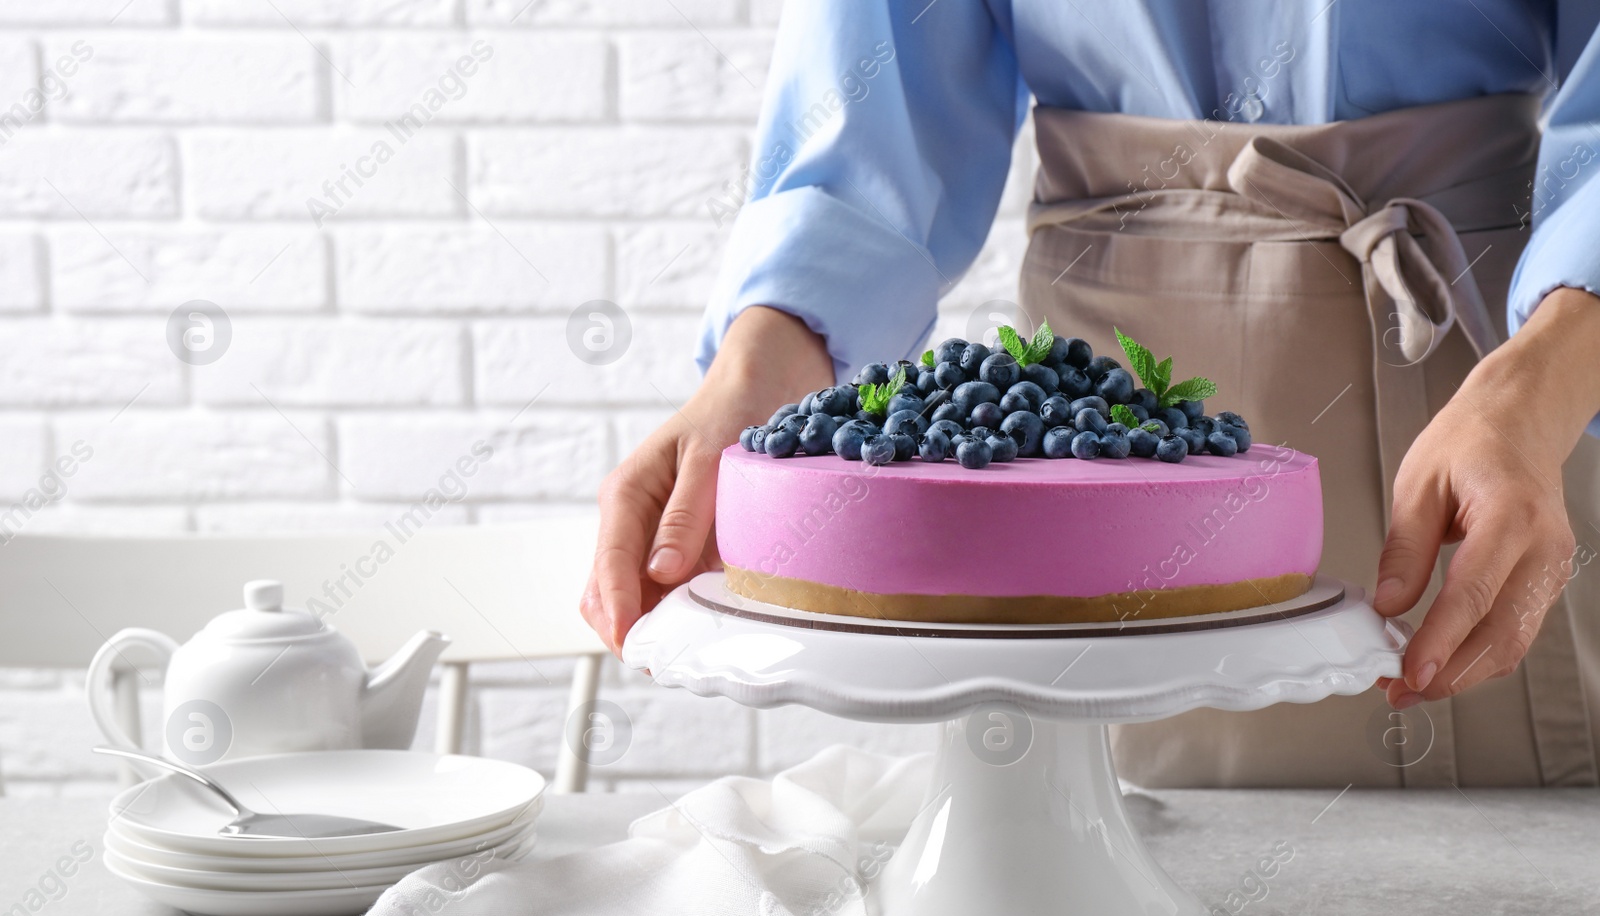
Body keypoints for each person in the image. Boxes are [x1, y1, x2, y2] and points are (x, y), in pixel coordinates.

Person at [583, 2, 1600, 787]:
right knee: (1093, 855)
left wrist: (1546, 375)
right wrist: (767, 356)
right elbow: (880, 76)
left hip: (1490, 389)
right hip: (1099, 405)